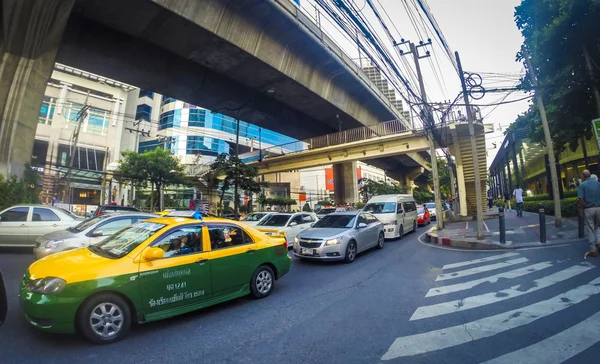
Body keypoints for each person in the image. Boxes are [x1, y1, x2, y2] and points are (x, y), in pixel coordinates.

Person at [577, 169, 600, 258]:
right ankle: (598, 242)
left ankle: (593, 250)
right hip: (599, 208)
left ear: (583, 176)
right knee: (597, 227)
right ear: (590, 175)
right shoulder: (598, 183)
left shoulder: (582, 185)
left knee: (590, 229)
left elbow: (580, 199)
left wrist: (581, 209)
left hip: (589, 209)